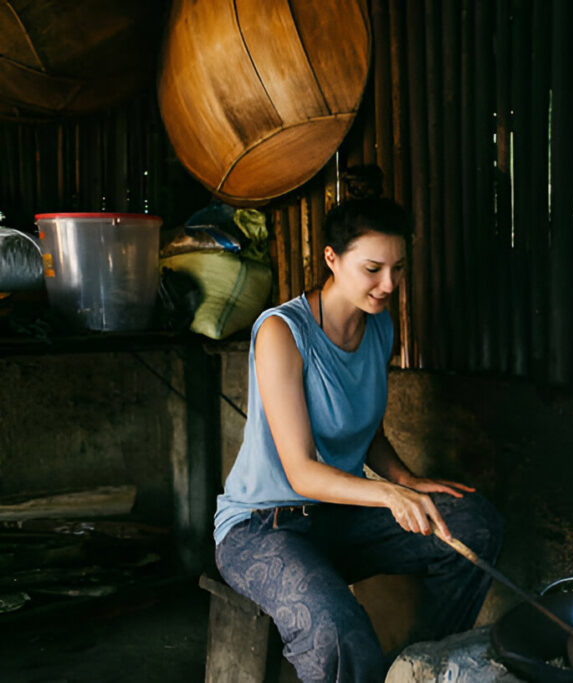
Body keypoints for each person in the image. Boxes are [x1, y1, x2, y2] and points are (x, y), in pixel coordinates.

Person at [213, 167, 503, 682]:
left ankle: (414, 668)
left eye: (398, 269)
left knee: (473, 525)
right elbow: (301, 473)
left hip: (333, 520)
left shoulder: (378, 327)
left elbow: (363, 426)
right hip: (262, 529)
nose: (388, 284)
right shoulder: (282, 332)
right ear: (332, 259)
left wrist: (407, 480)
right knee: (335, 632)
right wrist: (390, 495)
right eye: (373, 268)